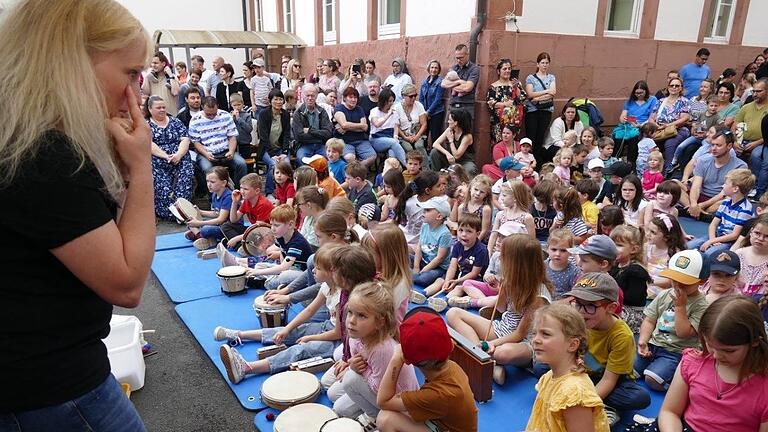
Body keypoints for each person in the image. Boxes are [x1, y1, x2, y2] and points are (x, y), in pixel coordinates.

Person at [0, 0, 154, 428]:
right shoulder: (42, 154)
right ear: (74, 61)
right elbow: (126, 281)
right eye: (130, 74)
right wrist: (141, 168)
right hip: (51, 386)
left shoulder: (21, 136)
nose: (135, 94)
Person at [447, 234, 553, 384]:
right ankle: (484, 357)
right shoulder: (512, 281)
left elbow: (519, 334)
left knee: (503, 353)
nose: (500, 259)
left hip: (525, 342)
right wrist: (503, 290)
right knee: (453, 314)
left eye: (504, 257)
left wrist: (493, 344)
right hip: (502, 328)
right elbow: (502, 309)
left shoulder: (538, 297)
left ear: (517, 263)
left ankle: (482, 356)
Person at [656, 296, 768, 432]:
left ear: (755, 341)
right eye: (709, 345)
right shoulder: (693, 362)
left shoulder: (763, 387)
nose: (716, 355)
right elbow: (670, 412)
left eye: (728, 350)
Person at [563, 274, 650, 426]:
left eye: (590, 306)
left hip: (612, 378)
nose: (581, 311)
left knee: (639, 397)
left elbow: (609, 380)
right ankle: (591, 395)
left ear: (611, 308)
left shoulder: (621, 336)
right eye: (577, 303)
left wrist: (583, 405)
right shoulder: (578, 320)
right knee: (541, 367)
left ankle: (607, 406)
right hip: (583, 370)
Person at [329, 282, 419, 425]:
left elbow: (380, 391)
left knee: (350, 380)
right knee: (337, 402)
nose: (351, 321)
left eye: (361, 316)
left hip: (398, 401)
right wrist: (352, 365)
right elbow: (358, 364)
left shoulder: (382, 349)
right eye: (350, 312)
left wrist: (356, 370)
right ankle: (372, 411)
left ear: (379, 322)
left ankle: (374, 417)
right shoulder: (355, 336)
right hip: (375, 385)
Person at [376, 307, 478, 432]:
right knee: (403, 411)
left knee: (385, 419)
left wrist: (396, 360)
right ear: (451, 345)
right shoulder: (452, 367)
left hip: (443, 425)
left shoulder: (438, 395)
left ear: (407, 361)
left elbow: (383, 401)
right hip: (442, 422)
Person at [525, 303, 610, 432]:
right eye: (534, 333)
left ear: (572, 345)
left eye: (546, 334)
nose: (535, 340)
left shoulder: (575, 394)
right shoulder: (549, 376)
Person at [635, 249, 709, 391]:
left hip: (675, 352)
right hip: (653, 345)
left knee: (652, 379)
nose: (678, 286)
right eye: (675, 280)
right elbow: (650, 320)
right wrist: (643, 340)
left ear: (703, 281)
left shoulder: (702, 305)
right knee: (630, 371)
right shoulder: (665, 294)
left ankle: (681, 388)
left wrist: (680, 307)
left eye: (685, 282)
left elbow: (683, 333)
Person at [689, 168, 755, 259]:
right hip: (717, 235)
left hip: (729, 241)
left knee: (708, 254)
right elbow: (713, 224)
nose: (723, 186)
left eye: (726, 184)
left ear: (735, 189)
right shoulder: (725, 202)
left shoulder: (745, 209)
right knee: (689, 246)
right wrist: (712, 240)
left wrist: (712, 242)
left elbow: (735, 235)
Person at [146, 96, 193, 220]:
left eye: (163, 107)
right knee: (163, 189)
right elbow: (149, 144)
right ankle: (171, 215)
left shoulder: (175, 121)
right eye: (158, 108)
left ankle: (184, 212)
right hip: (158, 160)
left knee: (185, 181)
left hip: (180, 157)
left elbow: (185, 139)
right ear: (150, 109)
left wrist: (178, 154)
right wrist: (166, 156)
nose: (162, 110)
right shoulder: (146, 125)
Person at [685, 127, 747, 219]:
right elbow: (696, 186)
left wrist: (702, 205)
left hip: (718, 200)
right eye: (712, 145)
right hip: (701, 195)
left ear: (729, 146)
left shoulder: (740, 166)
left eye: (718, 145)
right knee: (673, 185)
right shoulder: (702, 160)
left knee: (731, 199)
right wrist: (694, 204)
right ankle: (694, 210)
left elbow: (724, 193)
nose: (713, 148)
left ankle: (696, 211)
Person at [188, 96, 247, 187]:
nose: (212, 116)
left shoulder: (225, 115)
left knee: (241, 164)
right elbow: (196, 142)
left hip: (225, 150)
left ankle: (239, 189)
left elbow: (232, 137)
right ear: (202, 107)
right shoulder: (195, 120)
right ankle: (213, 195)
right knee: (207, 168)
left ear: (217, 107)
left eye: (214, 113)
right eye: (209, 114)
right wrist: (206, 154)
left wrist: (231, 151)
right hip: (206, 153)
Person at [221, 173, 274, 247]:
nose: (242, 191)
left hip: (266, 233)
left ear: (257, 191)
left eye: (245, 189)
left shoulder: (263, 204)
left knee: (256, 236)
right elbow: (233, 220)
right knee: (226, 226)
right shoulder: (247, 201)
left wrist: (236, 238)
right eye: (241, 188)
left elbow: (258, 230)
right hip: (254, 231)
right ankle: (242, 245)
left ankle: (242, 246)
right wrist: (234, 202)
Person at [651, 76, 691, 169]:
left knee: (670, 143)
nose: (674, 87)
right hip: (660, 129)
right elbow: (651, 118)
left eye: (677, 86)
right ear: (668, 87)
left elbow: (684, 119)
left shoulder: (684, 101)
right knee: (648, 142)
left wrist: (667, 126)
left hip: (678, 129)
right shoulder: (660, 101)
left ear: (681, 88)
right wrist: (656, 126)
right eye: (672, 85)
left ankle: (668, 169)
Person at [525, 52, 557, 167]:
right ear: (538, 64)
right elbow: (530, 94)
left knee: (540, 137)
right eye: (542, 63)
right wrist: (546, 91)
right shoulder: (531, 78)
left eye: (547, 63)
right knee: (531, 136)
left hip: (546, 111)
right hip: (532, 112)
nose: (545, 65)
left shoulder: (551, 77)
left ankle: (537, 163)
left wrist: (538, 98)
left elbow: (553, 92)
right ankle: (528, 160)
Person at [257, 89, 291, 196]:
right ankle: (269, 192)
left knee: (286, 164)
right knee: (273, 165)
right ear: (270, 100)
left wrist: (284, 152)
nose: (278, 102)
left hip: (281, 148)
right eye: (275, 99)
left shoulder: (285, 115)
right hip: (266, 149)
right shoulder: (263, 114)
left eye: (281, 99)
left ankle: (287, 192)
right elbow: (263, 137)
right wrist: (272, 155)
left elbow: (286, 135)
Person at [486, 58, 526, 144]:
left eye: (509, 68)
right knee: (499, 144)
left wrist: (517, 89)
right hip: (499, 122)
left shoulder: (515, 84)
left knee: (514, 144)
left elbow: (523, 98)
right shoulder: (494, 86)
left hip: (514, 121)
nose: (507, 71)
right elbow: (490, 103)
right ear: (498, 71)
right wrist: (505, 104)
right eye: (504, 69)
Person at [335, 87, 377, 168]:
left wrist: (348, 127)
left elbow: (365, 127)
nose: (353, 100)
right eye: (350, 97)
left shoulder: (359, 109)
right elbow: (344, 125)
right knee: (349, 157)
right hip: (345, 141)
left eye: (355, 97)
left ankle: (357, 169)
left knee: (372, 157)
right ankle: (357, 171)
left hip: (361, 140)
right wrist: (359, 126)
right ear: (344, 98)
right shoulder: (339, 108)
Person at [292, 83, 333, 162]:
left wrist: (310, 131)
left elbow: (328, 133)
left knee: (330, 159)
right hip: (304, 146)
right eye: (307, 95)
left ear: (316, 96)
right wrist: (319, 134)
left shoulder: (322, 111)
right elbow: (299, 136)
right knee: (301, 159)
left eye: (312, 95)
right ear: (303, 96)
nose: (310, 98)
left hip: (321, 145)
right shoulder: (298, 113)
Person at [429, 109, 476, 174]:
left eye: (450, 120)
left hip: (464, 162)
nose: (448, 122)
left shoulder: (467, 136)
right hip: (450, 158)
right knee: (434, 152)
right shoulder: (449, 130)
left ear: (456, 123)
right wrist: (447, 154)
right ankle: (436, 176)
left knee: (470, 168)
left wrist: (451, 141)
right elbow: (435, 144)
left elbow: (456, 155)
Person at [369, 88, 407, 167]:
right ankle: (407, 165)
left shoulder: (394, 112)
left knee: (392, 153)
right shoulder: (374, 111)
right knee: (393, 143)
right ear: (383, 101)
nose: (391, 103)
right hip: (376, 139)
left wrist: (395, 137)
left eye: (393, 101)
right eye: (389, 101)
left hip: (390, 138)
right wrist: (388, 114)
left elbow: (396, 126)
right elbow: (377, 124)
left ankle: (391, 173)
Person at [442, 44, 481, 122]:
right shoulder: (454, 68)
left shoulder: (474, 69)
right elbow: (443, 84)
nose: (459, 60)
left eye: (461, 58)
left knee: (465, 133)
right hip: (452, 105)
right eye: (457, 58)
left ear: (467, 54)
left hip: (466, 107)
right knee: (449, 132)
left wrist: (451, 85)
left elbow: (467, 88)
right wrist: (459, 82)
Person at [395, 84, 428, 159]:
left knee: (419, 146)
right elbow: (396, 126)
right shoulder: (397, 108)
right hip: (403, 136)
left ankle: (425, 168)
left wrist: (417, 136)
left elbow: (424, 124)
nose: (413, 98)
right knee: (408, 148)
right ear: (404, 96)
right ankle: (410, 168)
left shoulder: (419, 105)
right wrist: (405, 137)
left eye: (415, 95)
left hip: (417, 134)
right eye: (410, 96)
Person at [142, 51, 180, 115]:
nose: (153, 65)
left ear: (163, 64)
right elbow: (145, 93)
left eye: (156, 63)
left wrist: (170, 75)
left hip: (171, 116)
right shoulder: (150, 78)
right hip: (156, 117)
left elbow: (175, 92)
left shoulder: (172, 77)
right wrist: (146, 77)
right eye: (152, 63)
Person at [419, 60, 445, 147]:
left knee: (435, 136)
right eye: (432, 67)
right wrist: (423, 112)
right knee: (423, 136)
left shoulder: (440, 82)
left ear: (439, 70)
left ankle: (434, 157)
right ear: (429, 69)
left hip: (436, 113)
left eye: (436, 68)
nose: (434, 70)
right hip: (425, 113)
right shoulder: (424, 82)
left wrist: (428, 112)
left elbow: (438, 99)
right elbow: (421, 98)